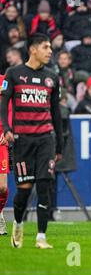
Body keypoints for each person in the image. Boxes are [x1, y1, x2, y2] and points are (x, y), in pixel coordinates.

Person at [1, 33, 63, 249]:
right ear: (33, 49)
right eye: (46, 47)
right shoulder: (14, 74)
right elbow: (3, 104)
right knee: (25, 190)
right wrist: (7, 129)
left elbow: (56, 114)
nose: (50, 51)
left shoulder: (52, 78)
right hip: (23, 140)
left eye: (50, 47)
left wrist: (60, 146)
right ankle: (18, 223)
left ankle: (41, 238)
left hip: (46, 139)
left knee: (44, 185)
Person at [0, 73, 11, 235]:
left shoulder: (4, 81)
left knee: (2, 188)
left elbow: (10, 106)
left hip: (1, 140)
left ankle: (0, 213)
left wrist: (8, 130)